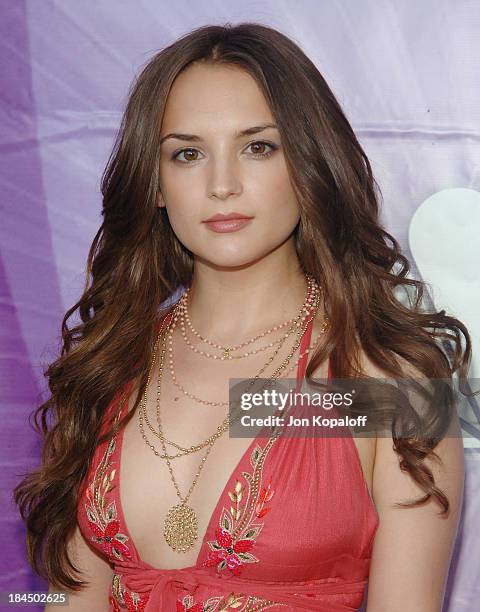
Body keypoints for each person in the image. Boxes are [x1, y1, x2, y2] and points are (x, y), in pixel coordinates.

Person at [14, 22, 471, 612]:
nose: (222, 184)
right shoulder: (107, 365)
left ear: (308, 162)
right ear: (154, 182)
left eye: (258, 146)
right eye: (188, 153)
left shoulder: (389, 382)